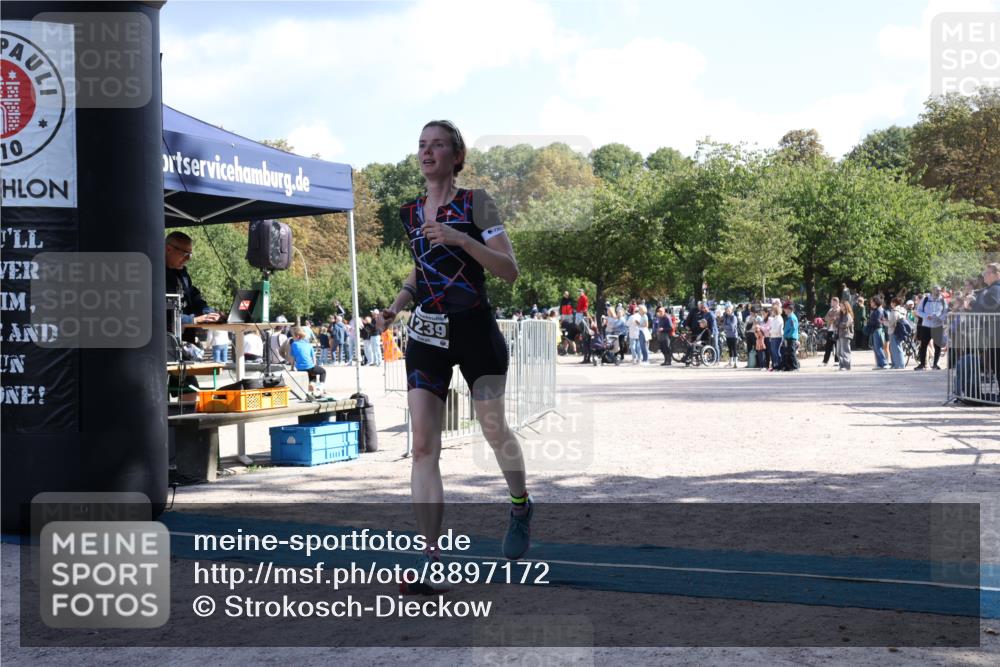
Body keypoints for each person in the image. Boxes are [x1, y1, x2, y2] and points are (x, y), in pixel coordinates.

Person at [379, 120, 530, 590]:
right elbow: (421, 269)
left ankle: (520, 503)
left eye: (437, 144)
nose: (426, 152)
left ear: (456, 155)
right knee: (423, 446)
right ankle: (430, 561)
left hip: (475, 332)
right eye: (421, 145)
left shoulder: (476, 203)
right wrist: (397, 306)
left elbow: (509, 270)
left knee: (492, 429)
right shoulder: (409, 212)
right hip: (427, 334)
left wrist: (463, 239)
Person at [165, 232, 221, 334]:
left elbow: (195, 299)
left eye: (190, 254)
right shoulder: (154, 275)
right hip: (166, 338)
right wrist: (193, 320)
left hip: (187, 335)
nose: (188, 259)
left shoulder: (183, 274)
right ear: (168, 249)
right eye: (185, 254)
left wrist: (210, 313)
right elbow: (159, 313)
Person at [914, 286, 947, 370]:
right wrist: (926, 316)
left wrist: (941, 318)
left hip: (938, 326)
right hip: (926, 325)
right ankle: (922, 364)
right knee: (923, 346)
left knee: (937, 346)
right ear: (932, 290)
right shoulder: (925, 299)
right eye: (937, 290)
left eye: (940, 290)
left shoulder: (942, 300)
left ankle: (935, 364)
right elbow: (918, 311)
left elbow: (946, 311)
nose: (939, 292)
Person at [290, 326, 326, 396]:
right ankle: (320, 387)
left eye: (293, 336)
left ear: (297, 336)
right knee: (323, 372)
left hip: (300, 367)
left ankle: (311, 390)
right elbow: (313, 357)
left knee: (312, 375)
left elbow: (293, 358)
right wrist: (314, 365)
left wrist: (292, 367)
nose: (293, 337)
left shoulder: (294, 344)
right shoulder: (308, 345)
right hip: (310, 366)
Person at [866, 295, 887, 369]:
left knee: (878, 347)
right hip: (875, 330)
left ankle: (884, 363)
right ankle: (879, 364)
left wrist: (869, 324)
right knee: (876, 348)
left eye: (872, 302)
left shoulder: (878, 310)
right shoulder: (876, 310)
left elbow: (878, 322)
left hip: (877, 330)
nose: (870, 303)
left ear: (875, 302)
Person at [885, 297, 907, 369]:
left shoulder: (894, 311)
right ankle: (897, 364)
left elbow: (891, 323)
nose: (891, 304)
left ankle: (899, 364)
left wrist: (884, 322)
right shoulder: (902, 310)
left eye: (892, 302)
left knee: (896, 349)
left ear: (894, 303)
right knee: (897, 347)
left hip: (894, 331)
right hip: (899, 331)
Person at [820, 297, 840, 366]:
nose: (831, 303)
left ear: (836, 302)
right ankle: (825, 361)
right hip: (830, 330)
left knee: (837, 346)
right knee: (828, 347)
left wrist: (832, 318)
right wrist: (831, 318)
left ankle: (837, 361)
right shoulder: (830, 310)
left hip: (836, 330)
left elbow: (837, 318)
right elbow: (825, 318)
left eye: (832, 302)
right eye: (831, 302)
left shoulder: (839, 310)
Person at [835, 299, 854, 370]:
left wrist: (838, 324)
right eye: (840, 306)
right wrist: (837, 321)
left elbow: (845, 324)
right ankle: (842, 365)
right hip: (840, 334)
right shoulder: (841, 315)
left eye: (842, 306)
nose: (841, 307)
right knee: (838, 351)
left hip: (846, 335)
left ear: (846, 306)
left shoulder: (848, 315)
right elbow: (837, 323)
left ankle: (847, 365)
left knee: (845, 351)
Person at [781, 302, 799, 371]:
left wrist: (787, 336)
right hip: (788, 337)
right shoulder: (789, 317)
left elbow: (793, 328)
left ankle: (795, 366)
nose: (784, 310)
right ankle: (789, 366)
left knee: (791, 352)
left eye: (785, 309)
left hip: (791, 338)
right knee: (787, 352)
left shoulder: (792, 317)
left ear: (789, 309)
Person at [767, 303, 783, 372]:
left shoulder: (779, 318)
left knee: (777, 352)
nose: (771, 312)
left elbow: (777, 329)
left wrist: (771, 331)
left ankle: (779, 365)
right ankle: (775, 365)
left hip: (777, 337)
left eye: (772, 310)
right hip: (773, 337)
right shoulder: (774, 319)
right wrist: (770, 330)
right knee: (773, 352)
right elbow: (771, 327)